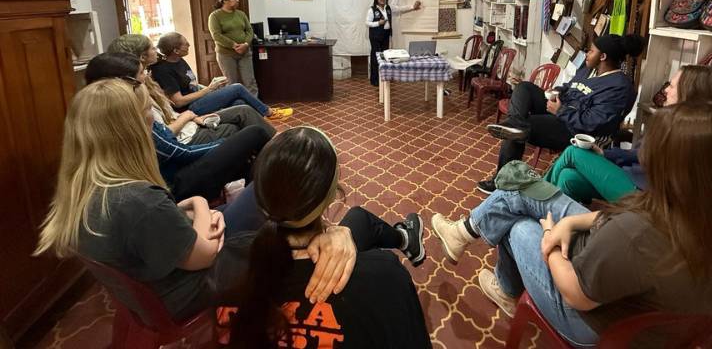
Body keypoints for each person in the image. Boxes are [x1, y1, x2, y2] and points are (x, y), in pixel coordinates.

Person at [431, 102, 712, 346]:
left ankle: (498, 277)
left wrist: (550, 240)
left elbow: (577, 295)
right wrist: (577, 221)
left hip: (594, 325)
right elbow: (634, 221)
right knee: (526, 190)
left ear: (678, 172)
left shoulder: (639, 234)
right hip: (628, 288)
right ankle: (465, 233)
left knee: (519, 223)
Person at [34, 79, 357, 323]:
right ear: (130, 128)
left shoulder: (84, 188)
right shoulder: (140, 202)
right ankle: (325, 247)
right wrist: (201, 207)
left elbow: (148, 229)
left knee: (260, 198)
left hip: (162, 285)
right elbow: (203, 256)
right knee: (270, 198)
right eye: (148, 110)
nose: (154, 117)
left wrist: (186, 213)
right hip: (195, 287)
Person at [228, 126, 431, 348]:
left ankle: (405, 238)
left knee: (358, 219)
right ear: (333, 195)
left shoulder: (225, 262)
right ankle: (406, 239)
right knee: (358, 218)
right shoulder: (385, 276)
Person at [84, 52, 275, 202]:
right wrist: (229, 143)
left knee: (243, 120)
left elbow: (167, 138)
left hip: (169, 174)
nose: (147, 77)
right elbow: (179, 152)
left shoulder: (96, 112)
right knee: (252, 134)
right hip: (174, 182)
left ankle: (268, 182)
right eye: (141, 74)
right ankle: (278, 171)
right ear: (127, 83)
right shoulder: (131, 115)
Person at [544, 65, 712, 204]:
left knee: (573, 153)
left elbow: (650, 165)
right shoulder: (672, 120)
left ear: (690, 93)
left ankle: (533, 198)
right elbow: (640, 155)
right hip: (631, 180)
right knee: (568, 178)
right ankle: (565, 230)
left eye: (672, 86)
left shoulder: (693, 133)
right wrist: (605, 155)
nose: (666, 91)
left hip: (646, 195)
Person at [478, 34, 644, 194]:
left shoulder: (619, 86)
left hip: (574, 129)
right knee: (524, 88)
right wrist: (556, 91)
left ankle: (502, 179)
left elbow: (594, 122)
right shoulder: (587, 70)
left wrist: (561, 111)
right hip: (560, 111)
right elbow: (569, 86)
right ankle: (516, 126)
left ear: (603, 56)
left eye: (591, 51)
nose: (587, 54)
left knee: (522, 126)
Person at [150, 32, 292, 119]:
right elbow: (179, 101)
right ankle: (268, 112)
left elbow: (190, 85)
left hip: (198, 99)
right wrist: (210, 89)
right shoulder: (163, 70)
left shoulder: (179, 60)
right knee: (237, 88)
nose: (188, 44)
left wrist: (211, 88)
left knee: (240, 104)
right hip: (188, 109)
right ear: (175, 50)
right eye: (184, 44)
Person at [208, 0, 259, 97]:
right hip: (226, 54)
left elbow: (249, 30)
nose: (237, 0)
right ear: (224, 1)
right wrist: (233, 45)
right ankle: (235, 108)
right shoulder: (215, 16)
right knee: (232, 83)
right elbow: (216, 35)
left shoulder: (241, 14)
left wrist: (245, 44)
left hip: (245, 52)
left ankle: (255, 108)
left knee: (250, 81)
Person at [366, 0, 422, 86]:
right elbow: (367, 23)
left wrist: (413, 7)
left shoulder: (389, 8)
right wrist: (378, 23)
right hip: (375, 36)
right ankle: (375, 80)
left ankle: (385, 77)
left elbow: (400, 9)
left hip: (386, 35)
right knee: (376, 57)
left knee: (386, 56)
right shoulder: (372, 10)